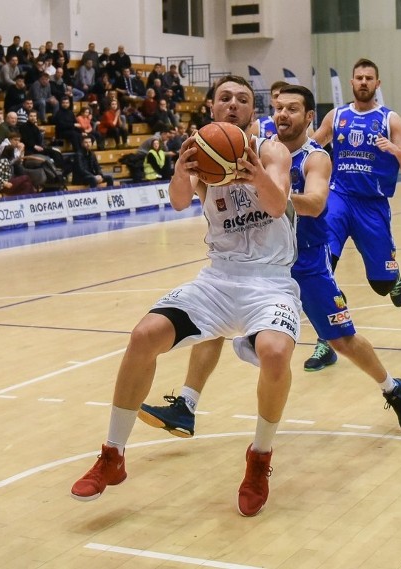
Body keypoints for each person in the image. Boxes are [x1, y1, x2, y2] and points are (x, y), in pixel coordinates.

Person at [138, 84, 401, 447]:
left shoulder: (315, 157)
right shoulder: (253, 146)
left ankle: (392, 388)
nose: (283, 115)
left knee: (343, 340)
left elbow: (318, 203)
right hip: (258, 262)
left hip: (305, 262)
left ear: (309, 118)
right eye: (278, 108)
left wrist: (271, 191)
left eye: (292, 109)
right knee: (212, 325)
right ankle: (186, 405)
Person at [70, 74, 300, 518]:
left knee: (274, 354)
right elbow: (178, 201)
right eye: (224, 98)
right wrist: (181, 171)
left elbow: (276, 205)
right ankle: (112, 455)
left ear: (253, 111)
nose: (233, 104)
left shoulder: (271, 151)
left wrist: (255, 176)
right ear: (211, 108)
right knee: (144, 335)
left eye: (242, 100)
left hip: (270, 281)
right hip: (217, 279)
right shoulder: (200, 155)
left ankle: (259, 459)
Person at [310, 58, 401, 370]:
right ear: (351, 82)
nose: (363, 82)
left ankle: (393, 278)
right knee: (322, 267)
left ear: (377, 84)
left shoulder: (390, 120)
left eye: (369, 78)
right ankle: (325, 342)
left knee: (381, 285)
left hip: (372, 204)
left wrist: (395, 151)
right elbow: (312, 147)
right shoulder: (337, 116)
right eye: (358, 77)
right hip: (339, 199)